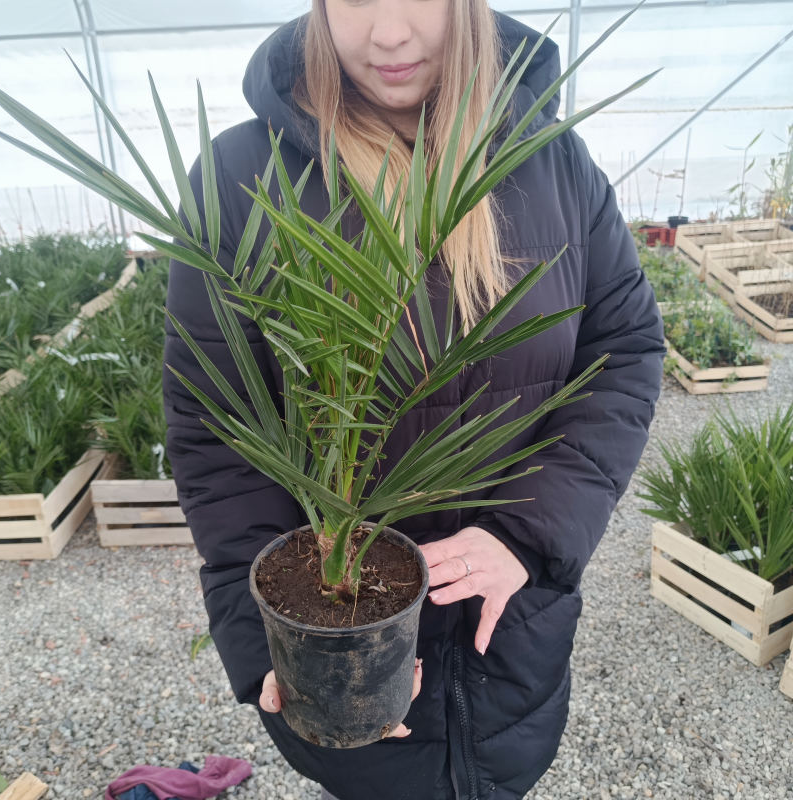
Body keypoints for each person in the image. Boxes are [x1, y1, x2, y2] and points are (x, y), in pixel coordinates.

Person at [163, 0, 665, 798]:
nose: (389, 34)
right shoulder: (240, 178)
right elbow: (212, 422)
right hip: (337, 642)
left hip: (512, 636)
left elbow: (626, 351)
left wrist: (530, 538)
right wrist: (264, 631)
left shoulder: (552, 162)